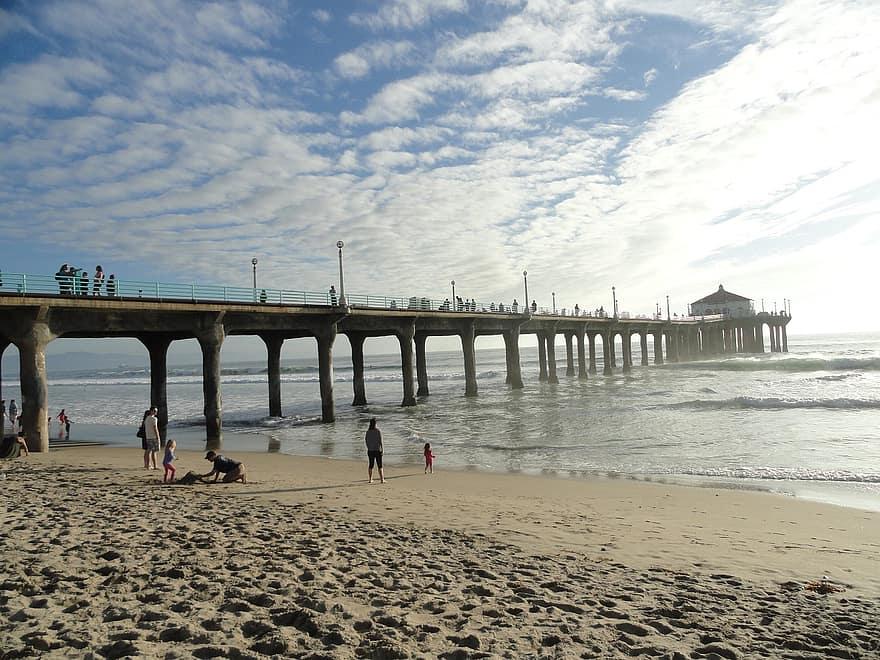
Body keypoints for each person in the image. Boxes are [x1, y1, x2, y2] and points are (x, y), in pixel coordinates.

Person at [364, 417, 385, 484]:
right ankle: (382, 479)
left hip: (370, 450)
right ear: (375, 423)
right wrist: (382, 449)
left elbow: (366, 441)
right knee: (380, 465)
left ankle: (370, 479)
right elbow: (380, 441)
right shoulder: (378, 431)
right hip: (377, 450)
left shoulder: (368, 432)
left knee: (371, 465)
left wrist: (368, 447)